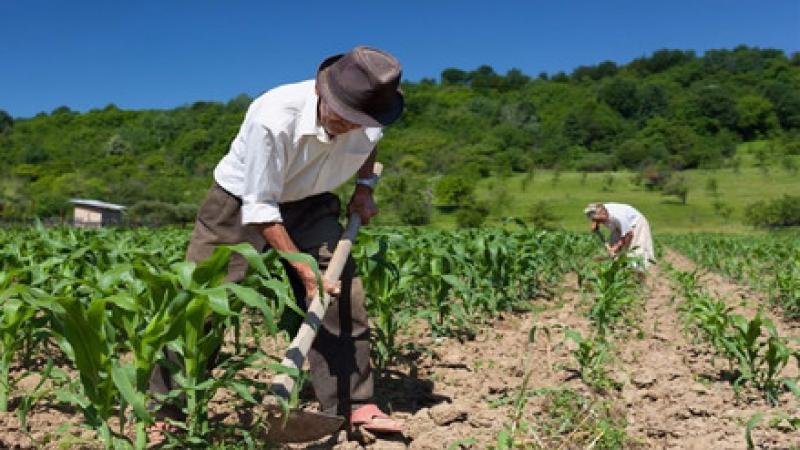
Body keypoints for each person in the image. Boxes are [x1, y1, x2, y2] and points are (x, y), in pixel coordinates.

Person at [149, 46, 404, 437]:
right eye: (343, 116)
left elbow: (370, 146)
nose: (350, 126)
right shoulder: (273, 116)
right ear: (323, 93)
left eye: (358, 121)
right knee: (202, 300)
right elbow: (261, 209)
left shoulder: (371, 115)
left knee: (343, 295)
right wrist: (304, 270)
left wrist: (365, 187)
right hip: (241, 202)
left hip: (313, 200)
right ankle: (166, 408)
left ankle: (353, 404)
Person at [583, 202, 655, 270]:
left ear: (604, 213)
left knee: (635, 252)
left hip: (636, 224)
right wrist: (596, 222)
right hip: (619, 226)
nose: (601, 223)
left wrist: (617, 246)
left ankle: (639, 276)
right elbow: (594, 213)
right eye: (597, 220)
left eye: (601, 220)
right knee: (613, 248)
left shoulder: (618, 217)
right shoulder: (598, 209)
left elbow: (629, 234)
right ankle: (619, 269)